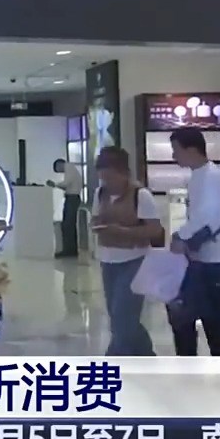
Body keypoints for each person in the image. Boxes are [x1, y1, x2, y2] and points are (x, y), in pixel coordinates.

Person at [167, 126, 220, 356]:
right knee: (183, 325)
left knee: (218, 335)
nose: (174, 156)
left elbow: (210, 216)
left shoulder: (212, 176)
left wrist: (183, 237)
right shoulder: (198, 176)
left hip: (218, 265)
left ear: (192, 150)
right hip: (199, 263)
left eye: (176, 150)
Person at [90, 146, 162, 356]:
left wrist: (122, 231)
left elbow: (155, 230)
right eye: (103, 178)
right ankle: (147, 356)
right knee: (120, 317)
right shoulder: (100, 193)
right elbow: (95, 218)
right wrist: (98, 226)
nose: (107, 183)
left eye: (111, 178)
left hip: (135, 262)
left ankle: (113, 362)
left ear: (124, 173)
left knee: (122, 319)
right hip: (108, 261)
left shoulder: (141, 195)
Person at [47, 158, 84, 258]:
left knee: (67, 225)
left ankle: (69, 250)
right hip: (73, 198)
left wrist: (55, 184)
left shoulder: (69, 167)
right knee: (69, 225)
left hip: (72, 198)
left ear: (59, 164)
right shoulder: (72, 168)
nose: (60, 172)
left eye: (58, 169)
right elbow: (67, 185)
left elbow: (67, 183)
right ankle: (71, 249)